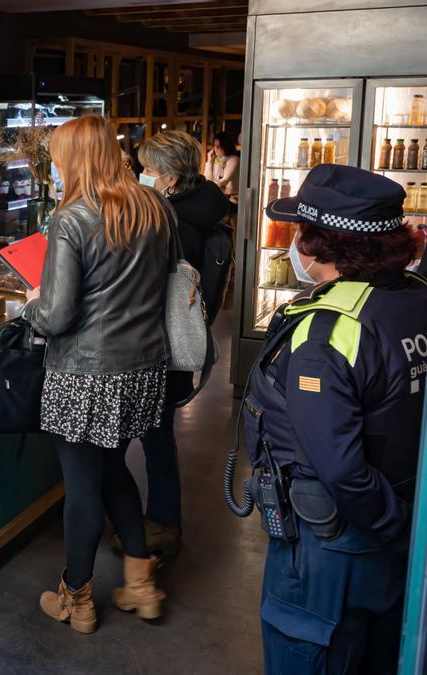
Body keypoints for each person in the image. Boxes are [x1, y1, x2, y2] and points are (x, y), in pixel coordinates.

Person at [241, 164, 426, 674]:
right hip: (398, 531)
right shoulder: (412, 299)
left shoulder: (326, 332)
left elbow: (339, 466)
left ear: (321, 243)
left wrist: (390, 525)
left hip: (330, 547)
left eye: (301, 229)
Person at [24, 115, 171, 633]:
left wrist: (29, 308)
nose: (56, 170)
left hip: (85, 373)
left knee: (82, 485)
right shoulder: (153, 206)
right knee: (113, 468)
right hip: (142, 368)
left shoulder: (72, 219)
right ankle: (141, 585)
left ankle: (77, 599)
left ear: (76, 161)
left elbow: (59, 315)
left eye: (59, 160)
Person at [118, 130, 232, 555]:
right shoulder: (203, 209)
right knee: (157, 434)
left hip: (158, 345)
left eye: (147, 169)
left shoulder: (173, 223)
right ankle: (160, 520)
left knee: (151, 437)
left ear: (167, 177)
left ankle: (160, 524)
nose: (140, 176)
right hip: (179, 346)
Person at [204, 130, 240, 205]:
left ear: (226, 145)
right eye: (214, 145)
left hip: (232, 199)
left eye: (219, 146)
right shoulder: (215, 159)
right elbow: (207, 180)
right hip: (218, 197)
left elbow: (224, 181)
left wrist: (207, 187)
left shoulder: (234, 159)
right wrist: (209, 162)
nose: (216, 148)